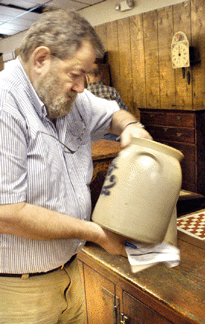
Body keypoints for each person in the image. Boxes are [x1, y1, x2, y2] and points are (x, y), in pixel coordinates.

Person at [0, 9, 152, 324]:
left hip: (71, 270)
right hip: (19, 291)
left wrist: (130, 127)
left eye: (87, 74)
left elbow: (112, 112)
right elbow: (7, 213)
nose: (82, 87)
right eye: (76, 74)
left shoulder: (67, 96)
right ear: (41, 59)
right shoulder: (6, 105)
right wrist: (95, 233)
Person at [86, 64, 129, 141]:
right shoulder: (112, 91)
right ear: (101, 75)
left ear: (87, 77)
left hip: (91, 140)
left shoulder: (82, 95)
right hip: (113, 136)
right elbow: (124, 111)